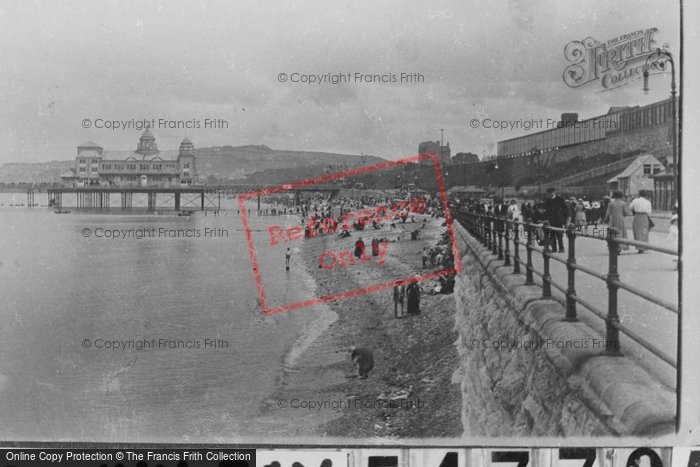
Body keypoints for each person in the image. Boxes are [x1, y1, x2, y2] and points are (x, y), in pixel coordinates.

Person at [544, 187, 569, 253]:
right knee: (552, 235)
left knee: (559, 234)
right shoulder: (548, 201)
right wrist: (547, 218)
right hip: (551, 220)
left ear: (554, 192)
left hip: (558, 219)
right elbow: (547, 210)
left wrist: (563, 217)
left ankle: (561, 248)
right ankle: (554, 248)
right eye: (549, 193)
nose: (551, 194)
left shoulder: (560, 199)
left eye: (552, 193)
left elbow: (565, 208)